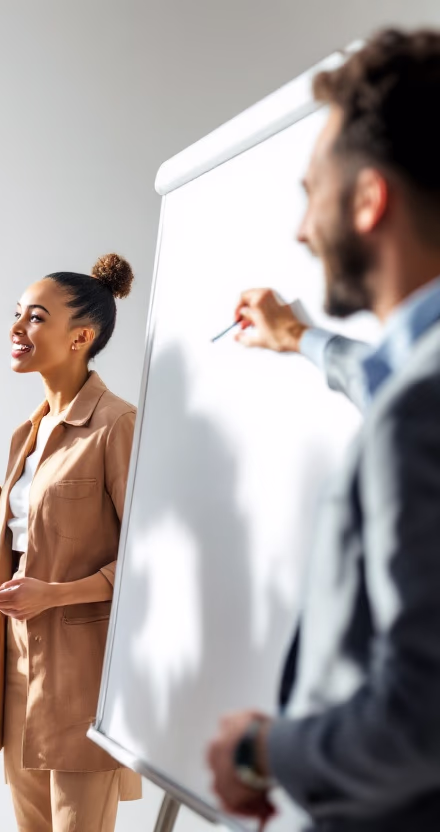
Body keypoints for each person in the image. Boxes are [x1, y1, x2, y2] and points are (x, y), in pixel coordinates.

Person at [208, 28, 440, 831]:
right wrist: (302, 337)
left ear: (369, 200)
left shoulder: (419, 407)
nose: (302, 229)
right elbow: (391, 381)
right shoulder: (416, 385)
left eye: (312, 192)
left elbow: (423, 716)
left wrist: (264, 752)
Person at [0, 254, 142, 832]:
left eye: (35, 318)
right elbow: (12, 550)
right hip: (19, 666)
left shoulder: (115, 424)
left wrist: (53, 594)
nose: (16, 329)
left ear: (81, 337)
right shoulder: (26, 434)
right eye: (18, 315)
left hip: (82, 672)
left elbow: (146, 565)